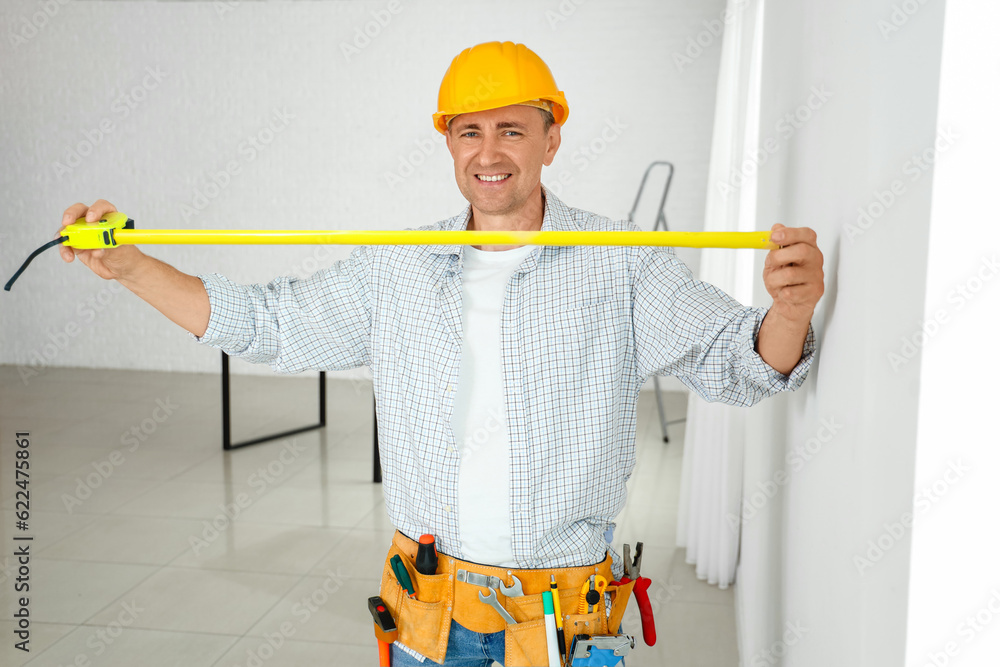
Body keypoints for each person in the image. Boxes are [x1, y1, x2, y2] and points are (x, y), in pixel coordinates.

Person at [57, 41, 823, 667]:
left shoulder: (619, 260)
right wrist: (130, 266)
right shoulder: (398, 264)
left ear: (552, 137)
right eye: (468, 131)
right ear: (449, 143)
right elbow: (269, 323)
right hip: (429, 612)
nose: (488, 152)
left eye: (512, 129)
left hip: (562, 621)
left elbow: (740, 361)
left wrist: (790, 309)